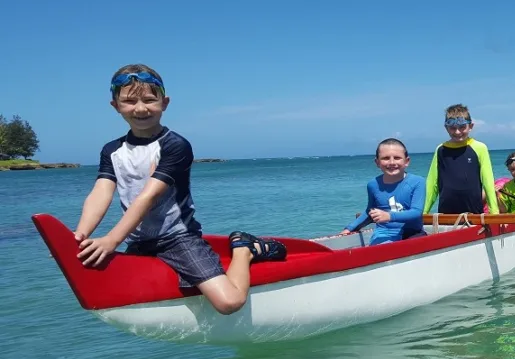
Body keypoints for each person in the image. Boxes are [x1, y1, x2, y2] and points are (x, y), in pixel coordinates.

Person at [73, 63, 287, 315]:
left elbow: (149, 197)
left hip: (177, 239)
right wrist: (79, 237)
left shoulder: (175, 145)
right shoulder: (112, 150)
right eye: (129, 101)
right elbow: (101, 191)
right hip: (138, 241)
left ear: (164, 103)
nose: (140, 108)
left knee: (229, 302)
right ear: (115, 106)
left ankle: (243, 249)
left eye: (149, 100)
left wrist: (111, 240)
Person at [340, 138, 427, 245]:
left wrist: (389, 216)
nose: (392, 162)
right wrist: (349, 228)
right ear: (377, 162)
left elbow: (416, 212)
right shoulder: (373, 185)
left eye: (397, 158)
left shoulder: (417, 182)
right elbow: (369, 212)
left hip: (412, 233)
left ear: (406, 161)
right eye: (385, 158)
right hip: (383, 234)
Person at [422, 103, 499, 214]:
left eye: (462, 127)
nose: (457, 132)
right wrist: (424, 213)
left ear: (470, 126)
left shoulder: (479, 148)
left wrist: (494, 212)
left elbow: (487, 181)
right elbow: (432, 183)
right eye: (453, 128)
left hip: (473, 212)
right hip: (446, 213)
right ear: (446, 128)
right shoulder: (441, 149)